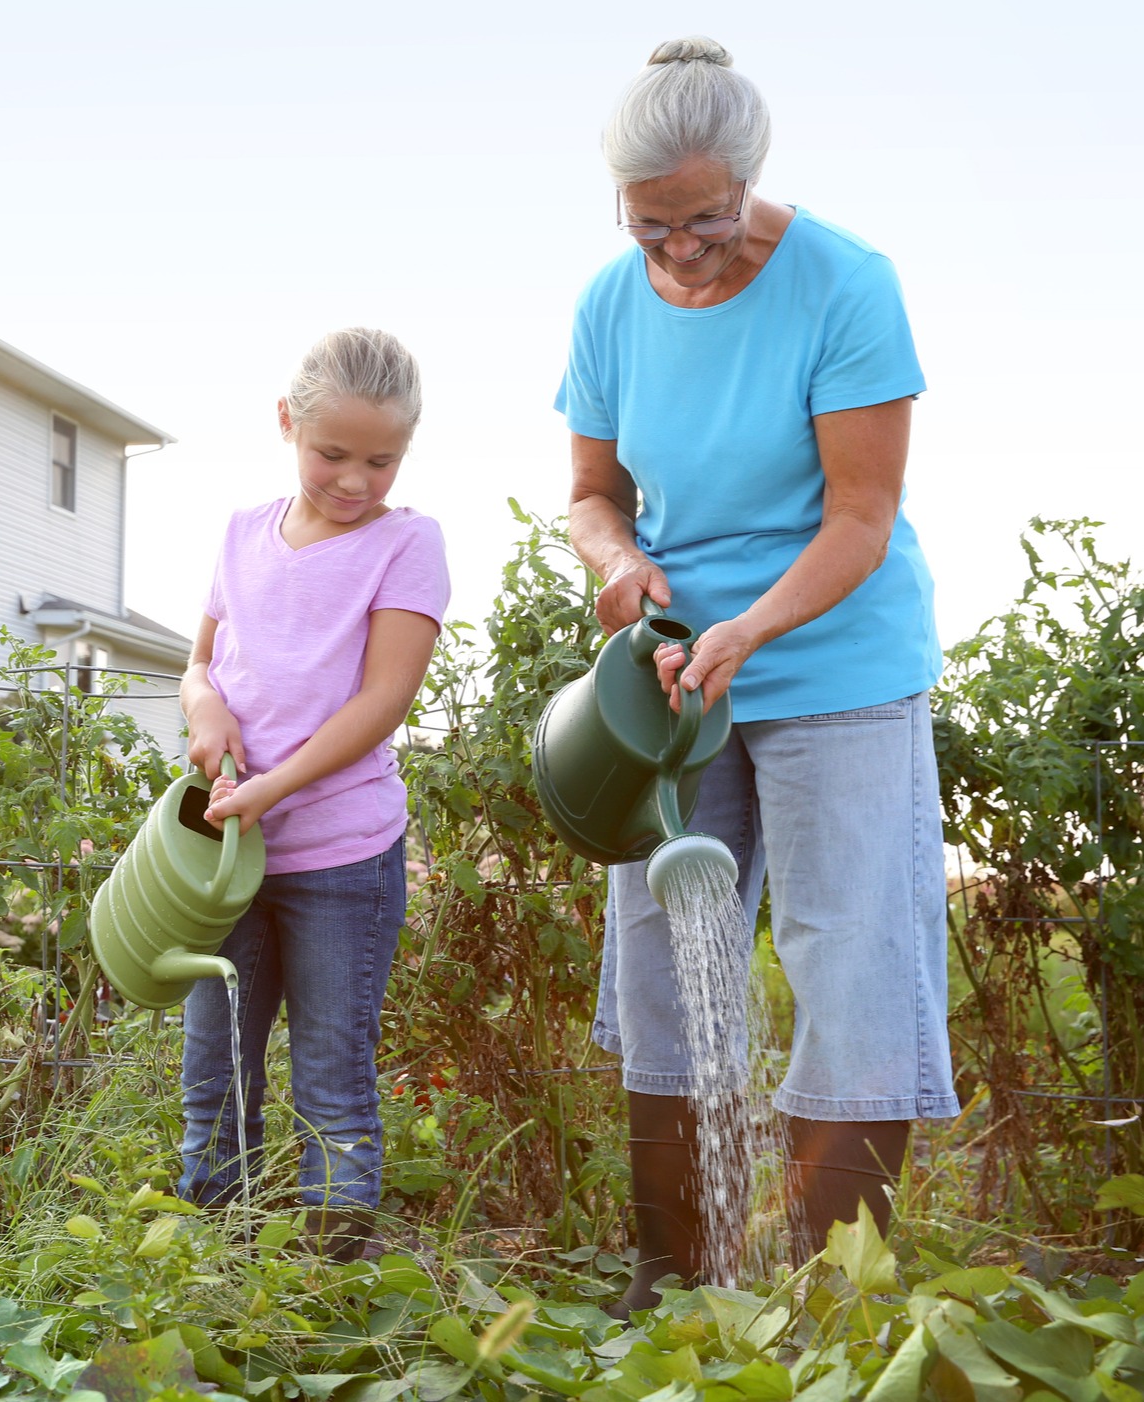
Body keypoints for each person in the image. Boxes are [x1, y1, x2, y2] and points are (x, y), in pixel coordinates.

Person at [556, 37, 960, 1312]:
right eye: (651, 227)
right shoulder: (608, 305)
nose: (681, 252)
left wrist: (753, 629)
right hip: (675, 680)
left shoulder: (845, 285)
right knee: (664, 959)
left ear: (750, 179)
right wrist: (617, 560)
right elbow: (588, 495)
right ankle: (672, 1282)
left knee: (850, 960)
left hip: (834, 659)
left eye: (707, 221)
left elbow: (857, 517)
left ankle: (835, 1297)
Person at [176, 327, 449, 1259]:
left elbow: (382, 701)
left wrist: (274, 789)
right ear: (287, 422)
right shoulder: (240, 533)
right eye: (333, 453)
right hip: (228, 858)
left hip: (342, 858)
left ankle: (334, 1275)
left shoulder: (407, 545)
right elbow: (200, 663)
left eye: (383, 459)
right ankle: (216, 1264)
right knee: (217, 1070)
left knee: (332, 1073)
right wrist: (204, 706)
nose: (357, 480)